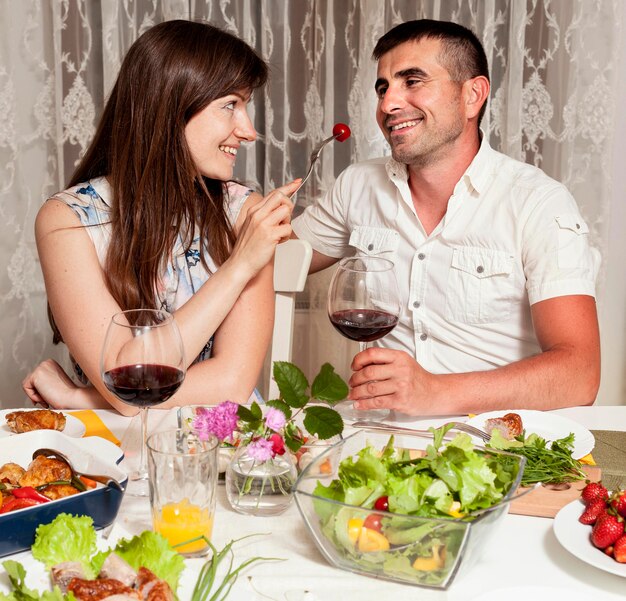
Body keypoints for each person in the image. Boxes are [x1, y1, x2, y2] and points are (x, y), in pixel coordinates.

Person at [291, 19, 601, 416]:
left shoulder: (539, 203)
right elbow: (270, 263)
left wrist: (437, 392)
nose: (388, 104)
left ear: (473, 95)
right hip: (379, 437)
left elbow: (580, 373)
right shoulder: (358, 185)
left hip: (494, 448)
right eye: (383, 87)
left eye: (413, 81)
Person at [22, 20, 300, 416]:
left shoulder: (245, 213)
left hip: (216, 443)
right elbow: (128, 385)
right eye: (230, 105)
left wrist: (79, 398)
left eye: (246, 105)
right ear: (170, 107)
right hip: (109, 445)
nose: (249, 131)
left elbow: (233, 384)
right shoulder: (67, 220)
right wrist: (239, 266)